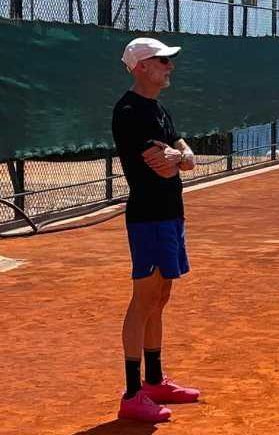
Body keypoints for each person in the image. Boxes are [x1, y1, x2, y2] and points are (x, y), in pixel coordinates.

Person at [112, 38, 201, 422]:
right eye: (162, 61)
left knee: (161, 296)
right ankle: (132, 394)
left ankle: (154, 380)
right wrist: (180, 157)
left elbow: (182, 155)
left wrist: (180, 155)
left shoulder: (158, 109)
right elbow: (163, 166)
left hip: (170, 214)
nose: (170, 67)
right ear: (141, 66)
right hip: (148, 218)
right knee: (143, 300)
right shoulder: (129, 111)